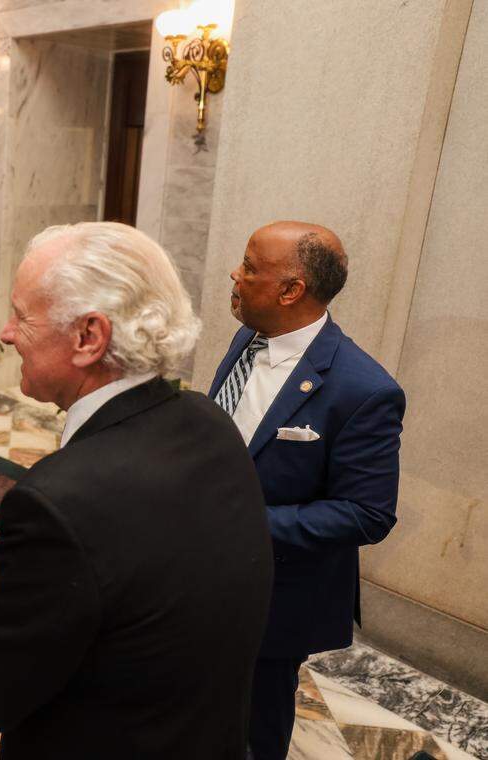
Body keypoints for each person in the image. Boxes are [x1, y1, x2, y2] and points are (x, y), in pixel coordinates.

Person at [0, 222, 274, 759]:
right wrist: (32, 568)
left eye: (22, 315)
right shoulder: (209, 423)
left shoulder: (56, 502)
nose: (7, 333)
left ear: (89, 337)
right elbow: (147, 561)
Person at [208, 222, 405, 760]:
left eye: (250, 266)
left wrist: (239, 523)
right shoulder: (247, 337)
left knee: (254, 727)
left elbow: (368, 514)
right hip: (204, 576)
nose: (236, 273)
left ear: (290, 291)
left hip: (277, 594)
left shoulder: (364, 390)